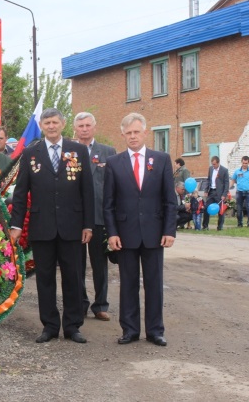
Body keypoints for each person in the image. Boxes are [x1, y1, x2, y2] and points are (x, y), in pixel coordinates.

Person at [9, 108, 94, 344]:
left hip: (73, 226)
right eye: (47, 123)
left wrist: (88, 224)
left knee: (73, 277)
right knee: (45, 278)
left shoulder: (78, 151)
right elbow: (20, 192)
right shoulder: (30, 153)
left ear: (63, 124)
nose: (51, 126)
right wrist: (16, 224)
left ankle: (72, 326)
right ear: (42, 125)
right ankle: (49, 326)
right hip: (42, 226)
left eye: (55, 122)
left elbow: (87, 190)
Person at [104, 112, 176, 347]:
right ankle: (130, 330)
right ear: (123, 135)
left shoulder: (162, 159)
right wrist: (112, 233)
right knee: (128, 283)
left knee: (154, 283)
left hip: (155, 233)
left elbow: (169, 200)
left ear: (145, 132)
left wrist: (169, 230)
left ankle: (155, 331)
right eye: (128, 133)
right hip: (125, 234)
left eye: (137, 132)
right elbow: (109, 204)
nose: (133, 136)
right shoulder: (114, 163)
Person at [73, 111, 117, 321]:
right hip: (76, 216)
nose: (84, 129)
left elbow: (114, 186)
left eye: (88, 125)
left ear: (94, 127)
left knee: (100, 263)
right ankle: (80, 303)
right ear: (75, 129)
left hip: (99, 215)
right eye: (80, 126)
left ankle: (100, 305)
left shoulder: (108, 152)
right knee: (76, 263)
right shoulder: (69, 151)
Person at [202, 156, 229, 231]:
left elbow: (226, 183)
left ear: (218, 163)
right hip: (211, 192)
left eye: (214, 164)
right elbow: (208, 180)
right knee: (206, 208)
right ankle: (205, 226)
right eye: (212, 164)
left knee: (220, 210)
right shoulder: (210, 169)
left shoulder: (224, 170)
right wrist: (206, 190)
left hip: (219, 193)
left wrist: (224, 194)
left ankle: (220, 227)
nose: (213, 166)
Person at [231, 156, 249, 227]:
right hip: (239, 192)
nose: (245, 164)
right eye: (243, 163)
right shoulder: (237, 171)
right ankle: (239, 224)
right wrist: (228, 188)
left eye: (246, 163)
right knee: (239, 208)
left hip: (248, 192)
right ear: (241, 162)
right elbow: (233, 180)